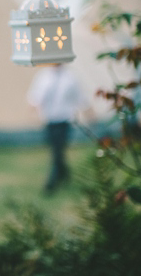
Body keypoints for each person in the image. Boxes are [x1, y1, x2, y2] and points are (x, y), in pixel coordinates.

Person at [27, 64, 90, 195]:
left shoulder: (70, 76)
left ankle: (51, 183)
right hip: (49, 119)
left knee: (58, 150)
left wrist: (89, 113)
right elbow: (35, 97)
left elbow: (79, 96)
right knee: (56, 151)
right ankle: (65, 174)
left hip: (64, 119)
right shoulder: (43, 76)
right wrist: (34, 114)